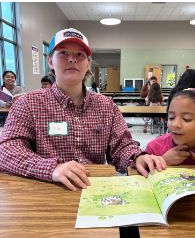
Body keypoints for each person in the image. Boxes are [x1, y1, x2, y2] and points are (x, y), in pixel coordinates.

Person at [0, 27, 166, 190]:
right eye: (63, 53)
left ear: (88, 64)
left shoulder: (106, 106)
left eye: (79, 54)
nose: (72, 59)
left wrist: (136, 157)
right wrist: (50, 168)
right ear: (50, 61)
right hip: (47, 191)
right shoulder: (28, 103)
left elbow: (121, 145)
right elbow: (6, 150)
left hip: (94, 190)